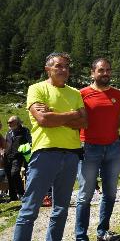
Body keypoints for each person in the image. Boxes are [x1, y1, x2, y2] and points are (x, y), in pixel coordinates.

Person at [14, 52, 87, 241]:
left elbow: (84, 122)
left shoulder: (75, 93)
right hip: (45, 154)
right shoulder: (36, 89)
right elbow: (43, 120)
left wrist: (55, 113)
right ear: (48, 69)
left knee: (61, 209)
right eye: (58, 66)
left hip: (71, 155)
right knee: (30, 209)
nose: (63, 70)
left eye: (66, 67)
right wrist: (72, 114)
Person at [75, 58, 120, 241]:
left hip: (113, 148)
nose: (105, 73)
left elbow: (119, 117)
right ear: (92, 72)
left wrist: (110, 133)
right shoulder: (82, 94)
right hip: (89, 148)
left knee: (110, 194)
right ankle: (81, 236)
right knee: (85, 195)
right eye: (101, 70)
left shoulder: (118, 94)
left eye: (108, 70)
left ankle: (102, 232)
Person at [4, 116, 31, 202]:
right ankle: (13, 197)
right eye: (8, 122)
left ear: (18, 123)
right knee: (9, 176)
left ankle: (21, 193)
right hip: (7, 156)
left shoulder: (24, 130)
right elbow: (5, 142)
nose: (9, 124)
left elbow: (30, 141)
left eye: (11, 122)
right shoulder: (8, 132)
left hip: (18, 155)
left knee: (14, 173)